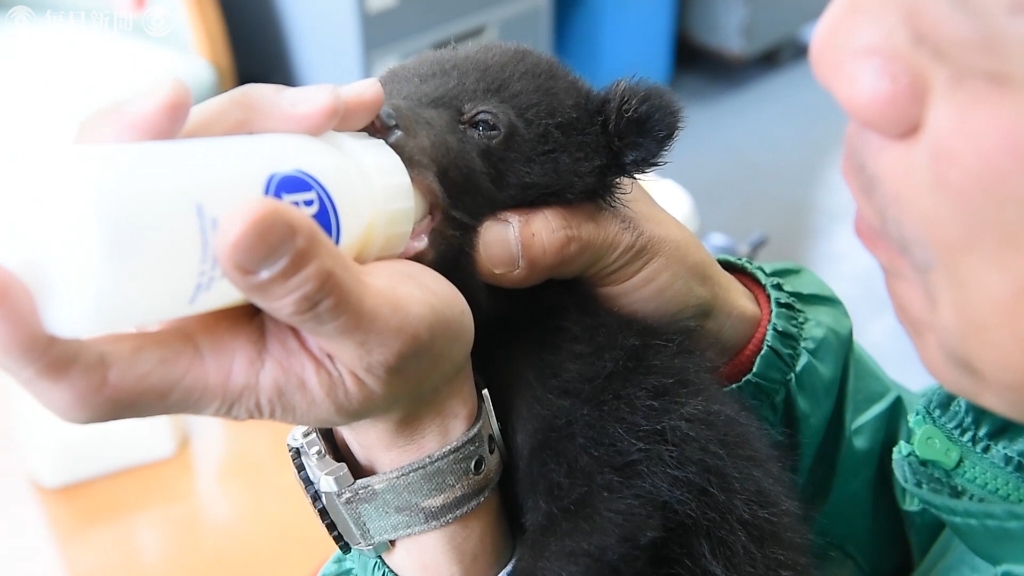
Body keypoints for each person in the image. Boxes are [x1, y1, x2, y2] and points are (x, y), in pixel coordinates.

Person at [2, 0, 1022, 573]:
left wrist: (434, 514)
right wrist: (740, 333)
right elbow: (952, 518)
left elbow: (609, 516)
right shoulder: (987, 429)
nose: (840, 48)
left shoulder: (596, 365)